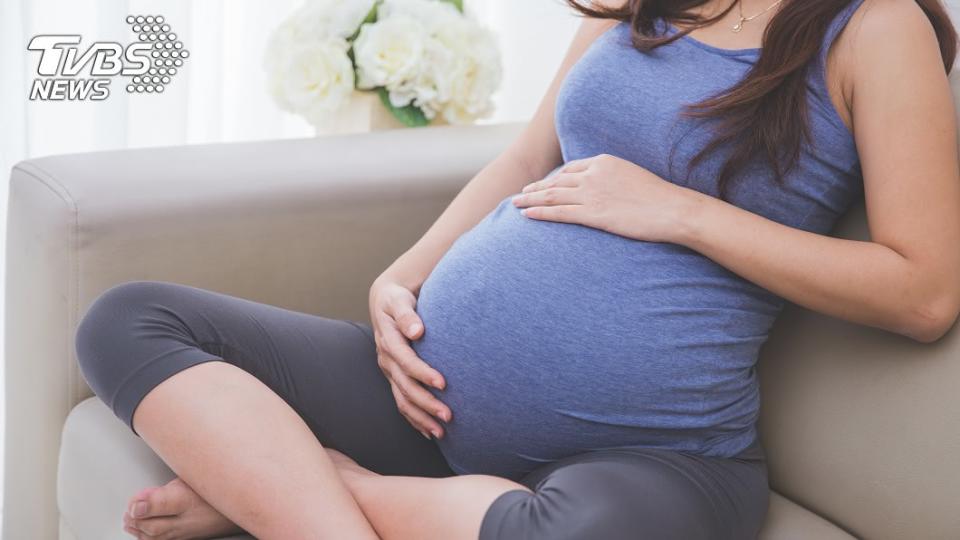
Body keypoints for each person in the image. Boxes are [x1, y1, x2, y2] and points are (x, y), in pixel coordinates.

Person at [75, 0, 960, 538]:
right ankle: (337, 497)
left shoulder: (876, 29)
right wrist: (400, 277)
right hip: (423, 398)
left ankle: (304, 483)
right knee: (126, 319)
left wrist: (682, 212)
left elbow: (923, 291)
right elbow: (523, 159)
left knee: (587, 534)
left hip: (652, 456)